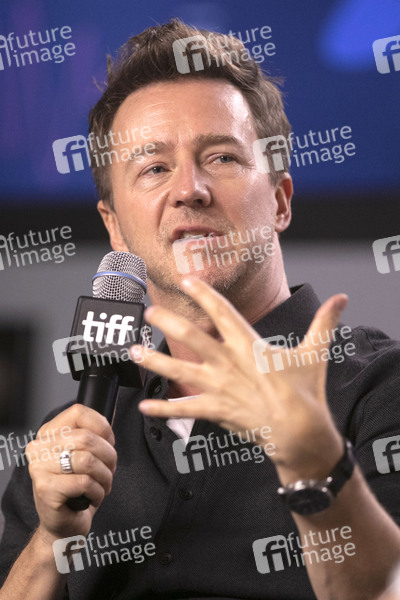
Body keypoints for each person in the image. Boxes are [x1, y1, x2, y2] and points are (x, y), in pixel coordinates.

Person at [0, 18, 400, 600]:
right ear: (115, 226)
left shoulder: (383, 389)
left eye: (221, 158)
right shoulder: (69, 441)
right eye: (154, 168)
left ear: (280, 201)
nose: (189, 189)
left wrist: (313, 462)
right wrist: (50, 542)